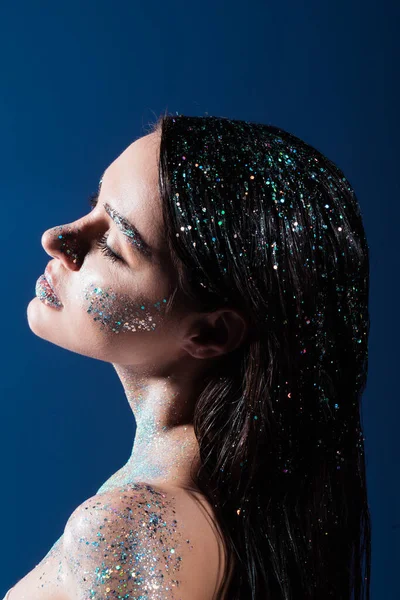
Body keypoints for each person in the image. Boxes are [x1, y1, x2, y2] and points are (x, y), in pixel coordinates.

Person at [7, 114, 370, 599]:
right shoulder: (197, 520)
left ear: (210, 332)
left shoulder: (130, 533)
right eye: (93, 205)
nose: (58, 237)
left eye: (114, 246)